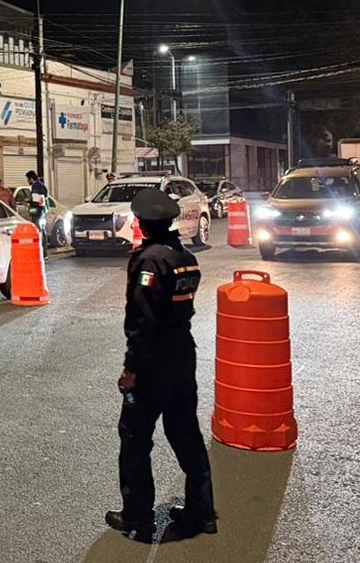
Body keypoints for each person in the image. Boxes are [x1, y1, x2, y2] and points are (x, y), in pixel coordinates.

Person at [105, 188, 217, 543]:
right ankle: (201, 511)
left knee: (135, 439)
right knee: (186, 435)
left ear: (141, 223)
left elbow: (143, 320)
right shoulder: (184, 256)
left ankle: (137, 516)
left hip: (153, 363)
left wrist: (131, 369)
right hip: (183, 355)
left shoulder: (148, 261)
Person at [26, 170, 50, 252]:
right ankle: (44, 253)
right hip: (42, 212)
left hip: (37, 212)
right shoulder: (42, 185)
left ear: (31, 179)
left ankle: (39, 251)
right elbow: (44, 198)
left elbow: (36, 201)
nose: (28, 181)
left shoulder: (35, 186)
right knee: (43, 231)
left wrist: (29, 202)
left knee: (37, 232)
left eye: (28, 179)